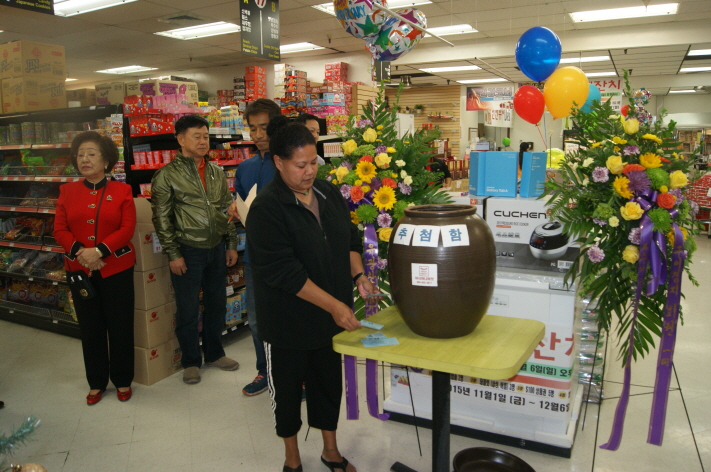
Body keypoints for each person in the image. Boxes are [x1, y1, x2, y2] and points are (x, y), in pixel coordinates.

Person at [247, 116, 380, 472]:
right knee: (288, 393)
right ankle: (292, 457)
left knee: (327, 386)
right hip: (287, 321)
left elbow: (349, 240)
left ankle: (330, 451)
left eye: (313, 163)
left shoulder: (327, 192)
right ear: (278, 162)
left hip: (327, 319)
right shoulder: (267, 208)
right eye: (300, 165)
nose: (309, 172)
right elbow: (284, 272)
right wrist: (335, 305)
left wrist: (358, 276)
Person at [151, 115, 240, 385]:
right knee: (188, 308)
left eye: (206, 136)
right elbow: (162, 219)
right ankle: (190, 361)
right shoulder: (166, 175)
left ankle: (214, 353)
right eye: (196, 136)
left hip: (216, 248)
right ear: (180, 140)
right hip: (188, 250)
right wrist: (173, 253)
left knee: (216, 303)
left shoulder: (215, 172)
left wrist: (231, 243)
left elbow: (226, 210)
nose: (203, 141)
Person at [54, 131, 136, 405]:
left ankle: (123, 379)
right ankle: (96, 382)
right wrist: (82, 253)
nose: (85, 159)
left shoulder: (122, 191)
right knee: (90, 328)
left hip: (116, 268)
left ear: (106, 160)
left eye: (91, 154)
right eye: (80, 155)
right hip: (79, 270)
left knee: (120, 325)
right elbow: (59, 229)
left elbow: (127, 229)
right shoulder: (67, 191)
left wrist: (99, 251)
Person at [228, 98, 280, 397]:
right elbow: (239, 200)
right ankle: (265, 370)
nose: (258, 135)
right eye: (253, 128)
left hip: (287, 254)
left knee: (289, 315)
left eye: (264, 127)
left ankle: (296, 373)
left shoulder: (289, 162)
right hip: (255, 254)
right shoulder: (245, 167)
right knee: (258, 318)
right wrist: (234, 209)